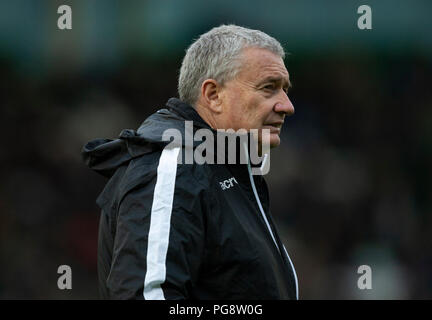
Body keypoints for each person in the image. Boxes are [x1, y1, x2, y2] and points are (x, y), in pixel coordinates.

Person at [82, 24, 298, 300]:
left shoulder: (220, 166)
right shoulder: (175, 164)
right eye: (269, 88)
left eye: (285, 89)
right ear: (213, 95)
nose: (287, 105)